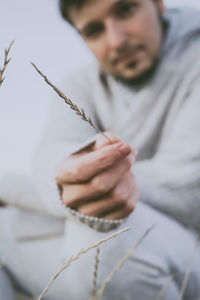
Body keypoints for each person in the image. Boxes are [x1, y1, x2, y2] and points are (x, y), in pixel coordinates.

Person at [0, 0, 200, 299]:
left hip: (187, 248)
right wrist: (66, 184)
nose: (117, 40)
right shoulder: (80, 85)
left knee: (107, 237)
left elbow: (188, 187)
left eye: (126, 10)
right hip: (96, 253)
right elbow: (53, 153)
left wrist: (15, 190)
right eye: (94, 30)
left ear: (158, 4)